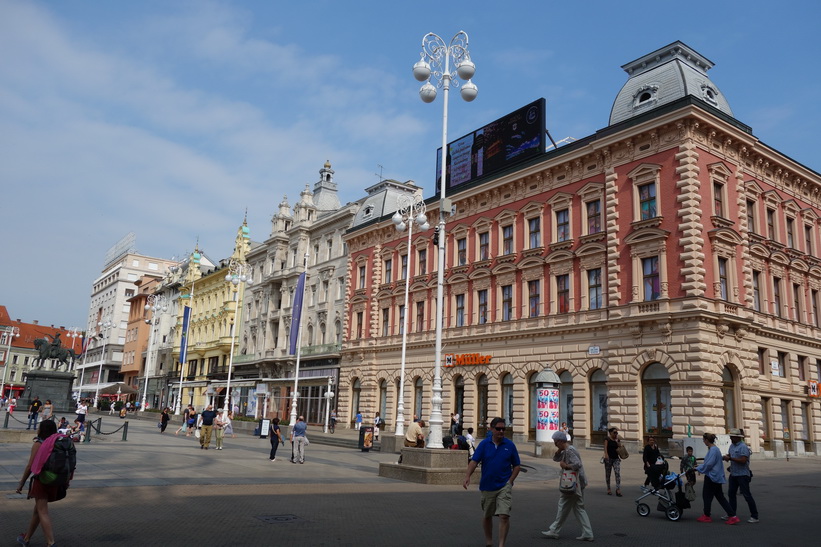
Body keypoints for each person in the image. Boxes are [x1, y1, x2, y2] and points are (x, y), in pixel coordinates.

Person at [463, 417, 521, 547]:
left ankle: (501, 544)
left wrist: (510, 481)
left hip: (504, 486)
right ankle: (489, 541)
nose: (501, 431)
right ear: (491, 429)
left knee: (504, 515)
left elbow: (517, 465)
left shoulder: (509, 445)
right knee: (487, 515)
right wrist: (467, 476)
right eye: (498, 429)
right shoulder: (484, 444)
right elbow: (474, 461)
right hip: (487, 485)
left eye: (503, 429)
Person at [15, 420, 64, 547]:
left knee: (42, 511)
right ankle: (26, 538)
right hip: (54, 480)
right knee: (38, 510)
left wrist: (21, 483)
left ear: (42, 430)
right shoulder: (57, 442)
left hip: (41, 480)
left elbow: (30, 466)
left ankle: (51, 542)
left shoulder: (39, 443)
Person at [542, 430, 594, 541]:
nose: (555, 444)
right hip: (577, 483)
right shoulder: (566, 450)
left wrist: (565, 466)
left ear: (561, 441)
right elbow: (555, 459)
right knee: (579, 508)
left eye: (556, 442)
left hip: (572, 484)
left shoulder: (570, 450)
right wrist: (559, 450)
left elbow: (577, 464)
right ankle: (588, 533)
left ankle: (554, 530)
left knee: (563, 505)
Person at [695, 432, 738, 524]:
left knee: (706, 496)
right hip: (716, 476)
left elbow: (709, 464)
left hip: (712, 476)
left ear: (707, 440)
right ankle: (732, 515)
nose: (703, 442)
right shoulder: (715, 449)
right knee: (720, 496)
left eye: (704, 440)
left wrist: (698, 468)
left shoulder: (713, 450)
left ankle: (707, 515)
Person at [724, 428, 759, 523]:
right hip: (734, 474)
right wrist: (727, 457)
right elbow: (731, 455)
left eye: (732, 437)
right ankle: (731, 514)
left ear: (737, 437)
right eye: (731, 436)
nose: (731, 438)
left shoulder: (743, 447)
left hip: (743, 475)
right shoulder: (732, 446)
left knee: (747, 495)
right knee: (731, 494)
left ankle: (754, 516)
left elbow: (743, 460)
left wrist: (731, 458)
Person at [603, 427, 622, 496]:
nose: (616, 434)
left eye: (616, 432)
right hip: (609, 459)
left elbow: (620, 447)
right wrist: (606, 455)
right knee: (608, 474)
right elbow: (605, 447)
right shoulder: (607, 439)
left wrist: (617, 441)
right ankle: (608, 488)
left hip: (616, 459)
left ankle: (618, 489)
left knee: (617, 473)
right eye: (614, 432)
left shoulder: (617, 439)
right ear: (610, 433)